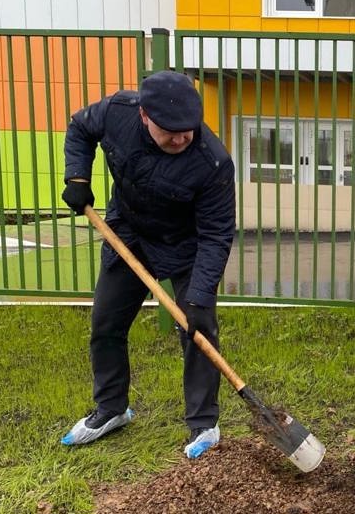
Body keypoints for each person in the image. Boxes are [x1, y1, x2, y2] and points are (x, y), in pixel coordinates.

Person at [59, 71, 236, 459]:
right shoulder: (116, 112)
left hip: (186, 245)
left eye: (187, 129)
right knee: (106, 322)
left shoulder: (214, 163)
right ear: (144, 116)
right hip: (129, 233)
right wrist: (77, 176)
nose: (180, 138)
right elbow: (79, 128)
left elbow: (216, 234)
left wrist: (201, 294)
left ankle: (204, 425)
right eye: (169, 130)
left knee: (197, 326)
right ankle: (111, 409)